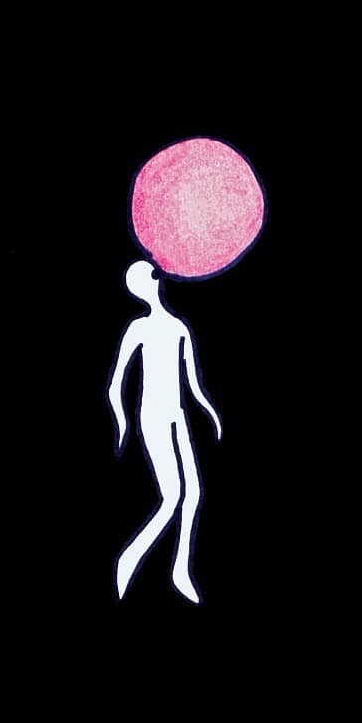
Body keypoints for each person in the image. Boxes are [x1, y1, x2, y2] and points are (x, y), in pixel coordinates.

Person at [108, 259, 222, 604]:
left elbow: (193, 384)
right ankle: (129, 558)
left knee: (194, 493)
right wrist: (122, 423)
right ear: (141, 287)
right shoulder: (138, 329)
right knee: (172, 496)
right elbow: (115, 384)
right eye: (149, 277)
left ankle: (180, 569)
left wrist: (210, 411)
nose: (156, 279)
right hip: (153, 416)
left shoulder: (178, 327)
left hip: (177, 415)